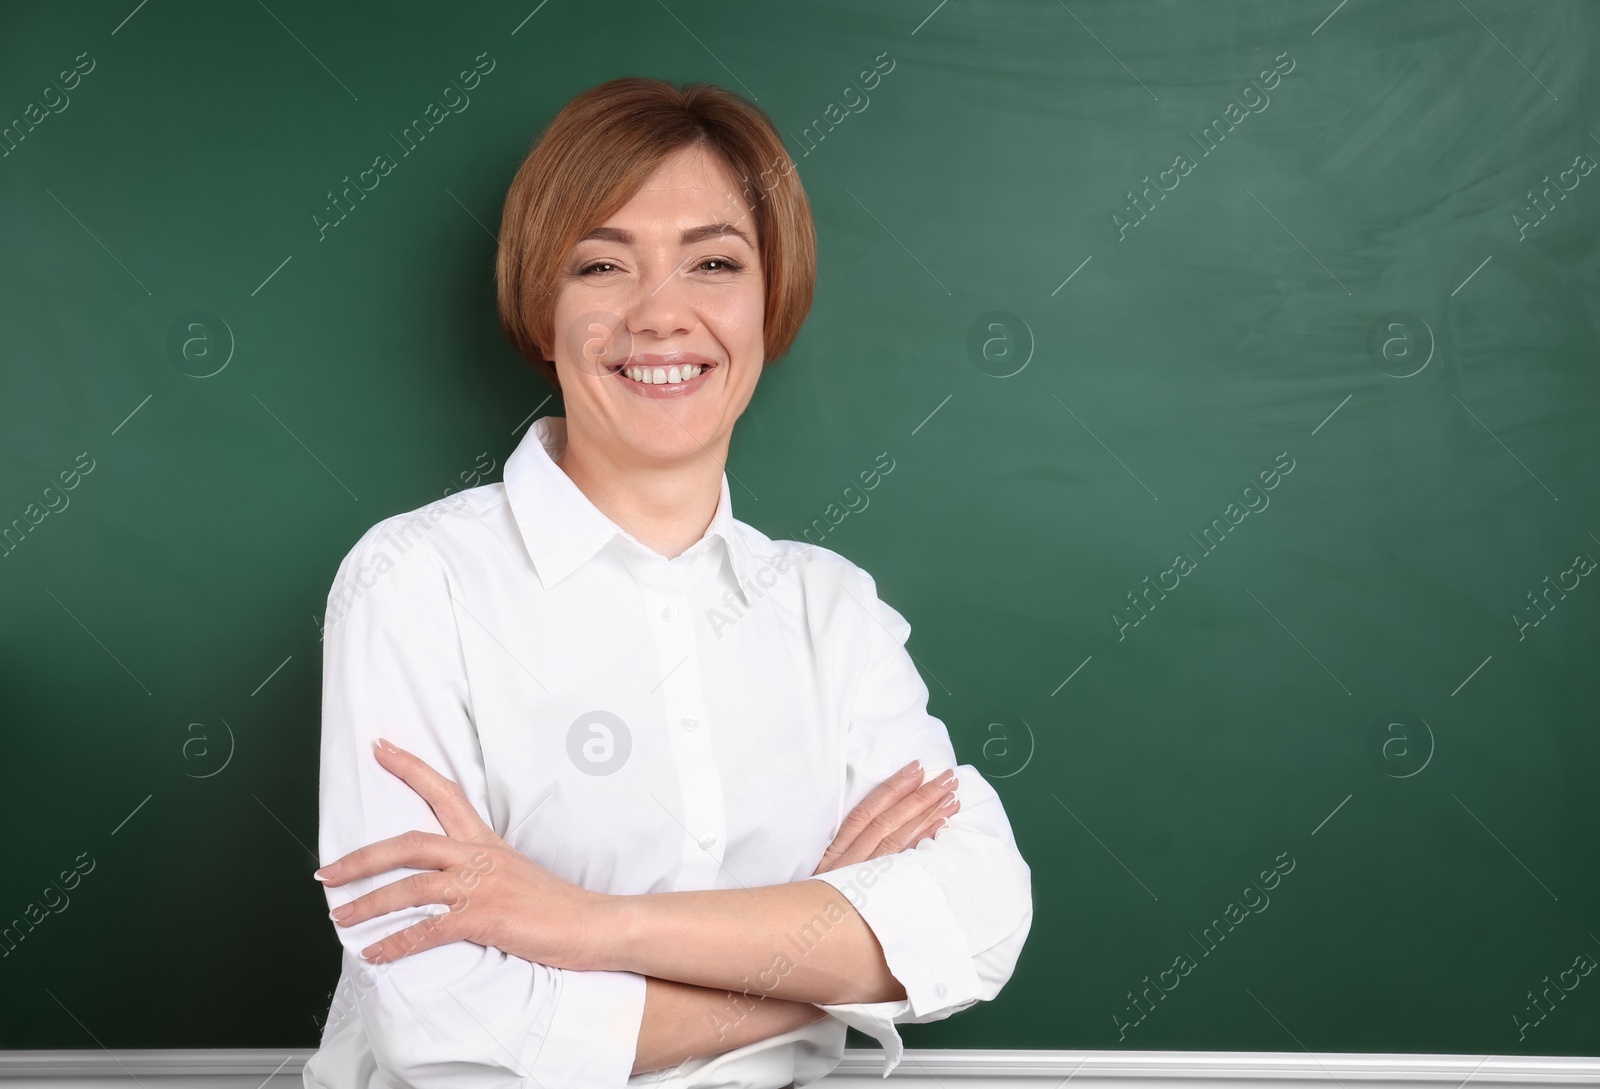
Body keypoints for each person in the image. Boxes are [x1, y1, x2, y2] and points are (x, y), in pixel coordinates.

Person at [301, 76, 1032, 1089]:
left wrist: (583, 925)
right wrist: (813, 969)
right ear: (541, 313)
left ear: (770, 303)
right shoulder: (414, 583)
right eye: (601, 265)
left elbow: (976, 914)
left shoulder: (831, 613)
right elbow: (447, 1028)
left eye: (715, 262)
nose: (661, 315)